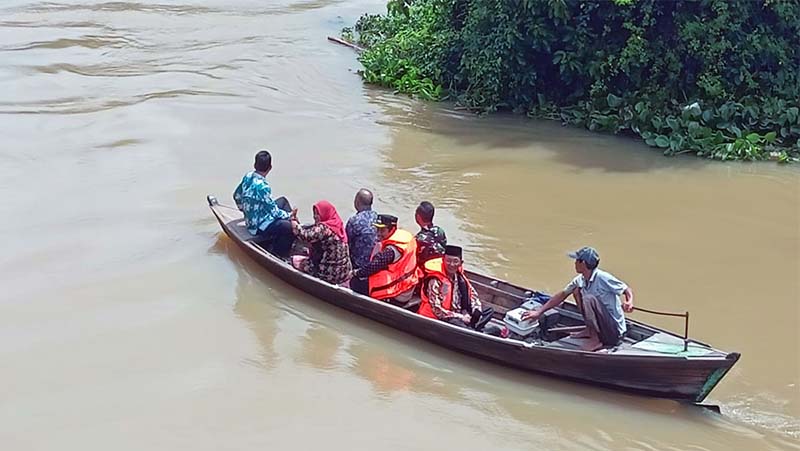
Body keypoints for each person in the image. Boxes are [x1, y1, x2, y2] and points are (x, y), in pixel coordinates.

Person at [522, 246, 634, 351]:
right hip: (600, 327)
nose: (574, 263)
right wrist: (539, 312)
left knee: (589, 299)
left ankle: (595, 339)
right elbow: (562, 295)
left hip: (613, 332)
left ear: (583, 263)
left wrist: (629, 301)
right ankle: (590, 330)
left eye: (577, 261)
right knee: (576, 291)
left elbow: (626, 289)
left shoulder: (602, 277)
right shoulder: (580, 280)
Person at [418, 245, 507, 336]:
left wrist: (476, 308)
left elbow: (472, 294)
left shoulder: (459, 276)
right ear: (443, 260)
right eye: (448, 261)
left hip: (460, 311)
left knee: (488, 310)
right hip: (443, 316)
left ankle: (473, 328)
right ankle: (475, 331)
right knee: (458, 324)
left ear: (461, 262)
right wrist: (461, 317)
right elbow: (437, 310)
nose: (451, 264)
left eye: (455, 261)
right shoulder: (435, 280)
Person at [233, 150, 296, 258]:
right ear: (270, 167)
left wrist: (244, 210)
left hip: (251, 220)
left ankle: (291, 231)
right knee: (289, 226)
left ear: (254, 165)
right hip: (257, 227)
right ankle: (279, 253)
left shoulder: (248, 176)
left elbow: (236, 195)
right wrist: (290, 215)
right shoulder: (262, 187)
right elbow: (274, 212)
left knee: (283, 201)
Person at [351, 214, 419, 303]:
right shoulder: (406, 238)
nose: (379, 233)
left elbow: (372, 267)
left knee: (355, 282)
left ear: (393, 229)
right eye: (377, 229)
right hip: (407, 286)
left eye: (382, 230)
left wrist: (355, 273)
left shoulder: (391, 250)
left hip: (398, 292)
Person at [290, 201, 352, 285]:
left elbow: (304, 236)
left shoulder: (324, 228)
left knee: (295, 260)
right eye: (314, 214)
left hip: (328, 273)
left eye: (317, 214)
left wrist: (293, 220)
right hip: (344, 272)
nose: (315, 217)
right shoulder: (337, 224)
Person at [346, 189, 378, 294]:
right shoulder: (378, 219)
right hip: (375, 265)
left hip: (357, 266)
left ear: (357, 202)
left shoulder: (354, 221)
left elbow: (346, 244)